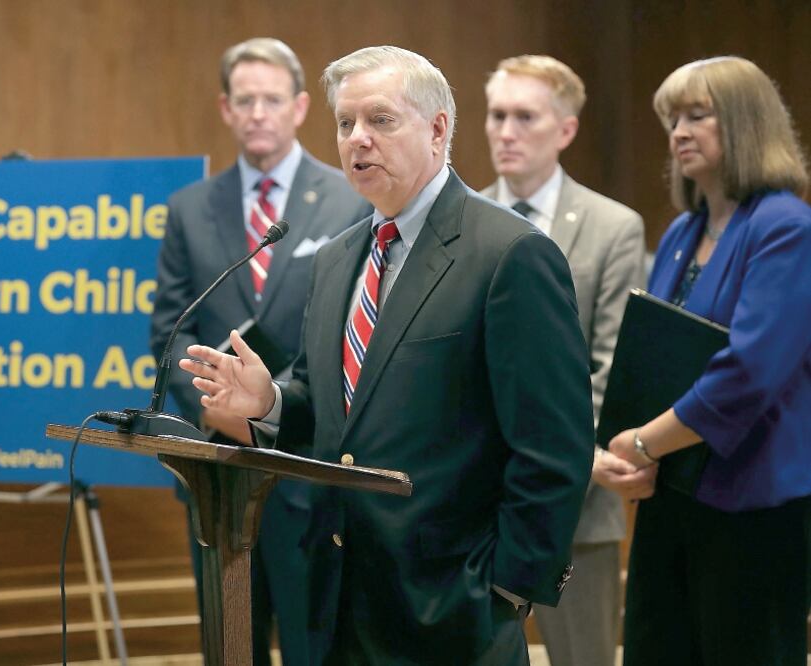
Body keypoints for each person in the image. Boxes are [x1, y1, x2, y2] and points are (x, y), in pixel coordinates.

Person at [179, 45, 594, 665]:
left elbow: (555, 446)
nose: (357, 140)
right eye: (345, 123)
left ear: (437, 129)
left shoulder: (509, 253)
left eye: (381, 120)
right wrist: (267, 405)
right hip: (334, 602)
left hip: (452, 612)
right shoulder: (336, 258)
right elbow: (330, 418)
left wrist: (506, 589)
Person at [149, 37, 369, 666]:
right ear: (225, 108)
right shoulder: (190, 209)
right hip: (216, 469)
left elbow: (358, 326)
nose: (257, 113)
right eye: (244, 100)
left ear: (300, 107)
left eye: (271, 100)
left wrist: (270, 405)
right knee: (227, 643)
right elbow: (171, 328)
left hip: (306, 462)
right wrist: (216, 400)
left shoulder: (349, 197)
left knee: (311, 644)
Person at [596, 56, 811, 666]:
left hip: (751, 502)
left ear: (746, 124)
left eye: (697, 115)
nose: (678, 132)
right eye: (672, 119)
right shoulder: (683, 231)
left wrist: (640, 444)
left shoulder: (786, 227)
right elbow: (656, 352)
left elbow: (747, 373)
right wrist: (633, 451)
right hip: (672, 491)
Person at [481, 55, 646, 666]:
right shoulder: (461, 221)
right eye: (497, 115)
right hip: (479, 498)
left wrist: (554, 464)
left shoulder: (612, 227)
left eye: (525, 116)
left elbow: (608, 365)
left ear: (566, 130)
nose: (505, 131)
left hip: (578, 498)